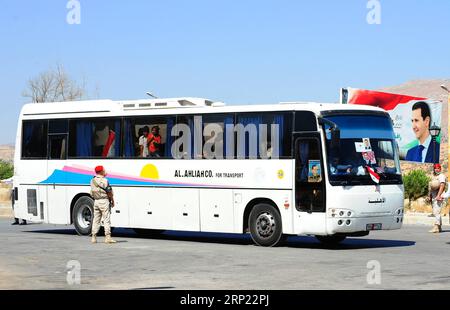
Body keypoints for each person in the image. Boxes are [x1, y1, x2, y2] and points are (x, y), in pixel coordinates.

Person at [90, 166, 116, 244]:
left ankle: (93, 237)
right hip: (104, 201)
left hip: (96, 201)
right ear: (101, 171)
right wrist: (112, 201)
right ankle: (108, 237)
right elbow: (109, 192)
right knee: (106, 219)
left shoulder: (92, 180)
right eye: (104, 170)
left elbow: (91, 192)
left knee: (96, 220)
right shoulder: (105, 180)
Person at [428, 163, 446, 233]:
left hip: (439, 196)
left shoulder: (441, 176)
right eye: (435, 168)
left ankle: (436, 227)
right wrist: (429, 196)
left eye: (438, 168)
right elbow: (430, 187)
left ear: (440, 169)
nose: (437, 169)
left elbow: (442, 185)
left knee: (436, 212)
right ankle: (439, 227)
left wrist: (438, 195)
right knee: (436, 211)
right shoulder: (434, 176)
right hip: (434, 195)